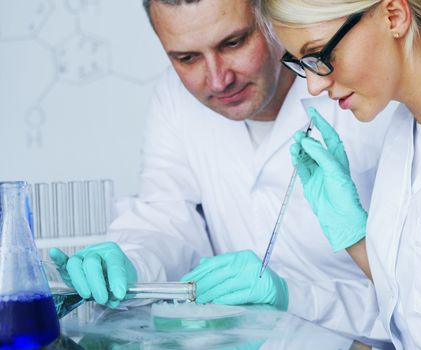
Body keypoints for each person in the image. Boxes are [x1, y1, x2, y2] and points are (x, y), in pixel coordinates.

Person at [48, 0, 398, 342]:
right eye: (186, 58)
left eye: (233, 43)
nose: (217, 80)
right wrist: (128, 261)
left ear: (273, 15)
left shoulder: (367, 93)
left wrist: (297, 296)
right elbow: (166, 218)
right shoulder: (175, 98)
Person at [262, 0, 421, 348]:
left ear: (394, 16)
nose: (313, 86)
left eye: (319, 55)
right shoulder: (404, 127)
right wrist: (355, 235)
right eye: (301, 64)